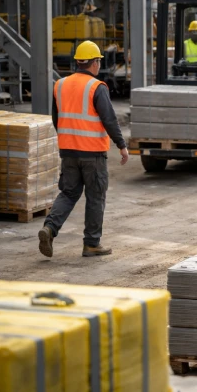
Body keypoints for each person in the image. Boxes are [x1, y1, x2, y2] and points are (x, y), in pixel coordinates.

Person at [38, 41, 129, 258]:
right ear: (95, 62)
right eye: (99, 61)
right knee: (95, 197)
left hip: (68, 151)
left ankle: (49, 228)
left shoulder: (60, 85)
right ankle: (91, 244)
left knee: (69, 193)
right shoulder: (97, 87)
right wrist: (121, 145)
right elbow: (109, 119)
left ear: (78, 62)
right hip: (92, 154)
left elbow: (56, 118)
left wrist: (68, 139)